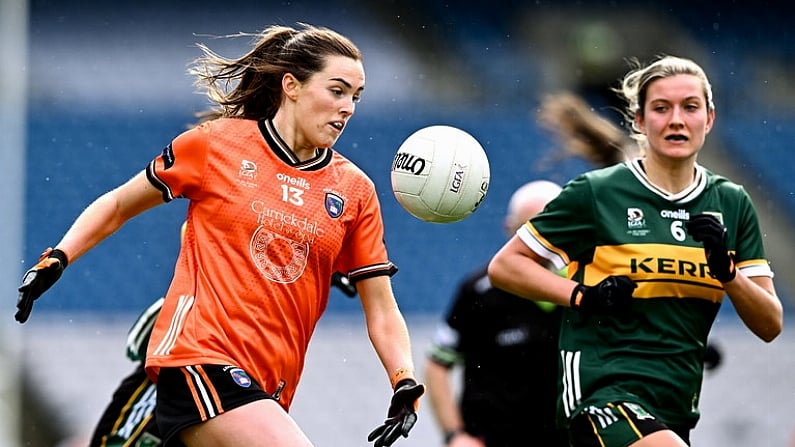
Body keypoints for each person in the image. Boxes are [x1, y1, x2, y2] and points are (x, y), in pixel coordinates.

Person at [16, 23, 424, 447]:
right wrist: (59, 257)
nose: (349, 108)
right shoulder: (216, 146)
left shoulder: (354, 190)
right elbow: (119, 204)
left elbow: (381, 308)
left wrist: (403, 379)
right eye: (337, 90)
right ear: (292, 86)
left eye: (356, 97)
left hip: (267, 387)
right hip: (197, 360)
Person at [487, 55, 783, 447]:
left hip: (676, 406)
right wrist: (583, 296)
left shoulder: (732, 203)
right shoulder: (595, 192)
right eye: (661, 108)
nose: (676, 119)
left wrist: (729, 274)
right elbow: (506, 266)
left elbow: (770, 325)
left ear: (708, 120)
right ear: (640, 122)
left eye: (690, 107)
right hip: (600, 395)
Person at [424, 179, 569, 447]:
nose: (539, 242)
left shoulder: (586, 289)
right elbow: (437, 364)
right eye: (528, 231)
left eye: (550, 229)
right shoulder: (479, 291)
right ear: (509, 230)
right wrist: (455, 436)